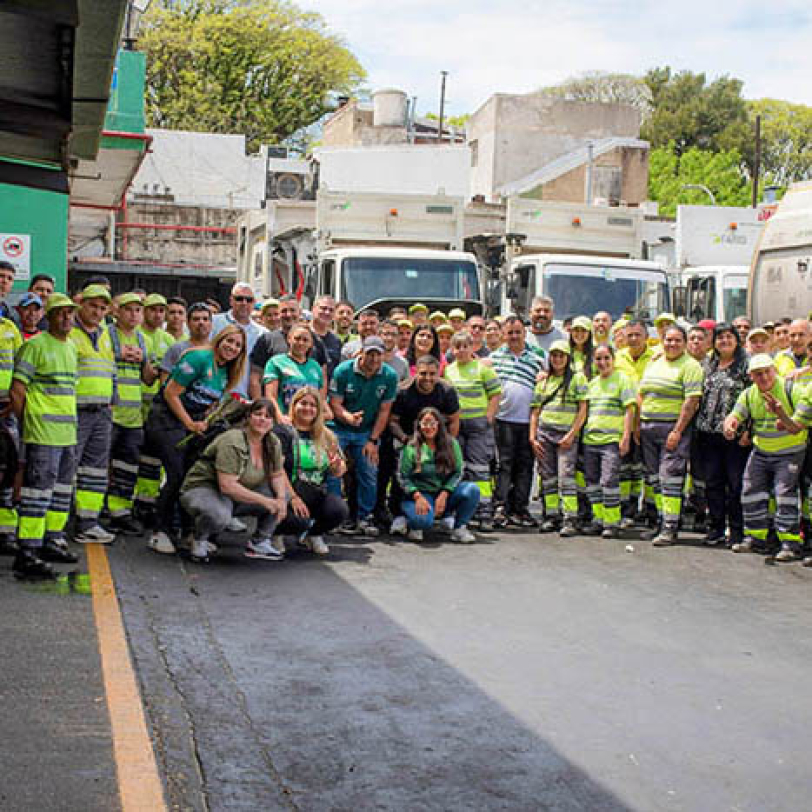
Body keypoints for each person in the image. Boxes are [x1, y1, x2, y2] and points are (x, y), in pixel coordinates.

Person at [143, 323, 247, 555]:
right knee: (176, 475)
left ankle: (189, 532)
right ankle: (160, 531)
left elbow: (208, 403)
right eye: (229, 341)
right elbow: (170, 392)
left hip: (192, 424)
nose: (232, 347)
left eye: (237, 345)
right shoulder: (200, 358)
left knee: (191, 475)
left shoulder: (225, 372)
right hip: (166, 420)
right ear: (219, 339)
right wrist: (189, 423)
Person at [10, 294, 81, 579]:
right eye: (60, 313)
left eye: (69, 313)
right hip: (43, 432)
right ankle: (27, 551)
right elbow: (18, 390)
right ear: (48, 317)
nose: (66, 318)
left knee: (62, 491)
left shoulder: (72, 347)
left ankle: (52, 540)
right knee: (37, 493)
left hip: (66, 432)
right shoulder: (35, 346)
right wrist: (29, 424)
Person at [180, 399, 291, 563]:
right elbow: (227, 486)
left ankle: (259, 542)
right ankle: (198, 539)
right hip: (205, 488)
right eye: (258, 414)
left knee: (283, 494)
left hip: (238, 493)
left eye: (268, 416)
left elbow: (277, 474)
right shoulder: (233, 440)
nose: (262, 419)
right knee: (219, 515)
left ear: (273, 422)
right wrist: (266, 502)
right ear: (248, 417)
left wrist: (280, 499)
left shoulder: (272, 442)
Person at [724, 354, 811, 561]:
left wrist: (781, 414)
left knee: (784, 495)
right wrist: (730, 424)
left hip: (789, 451)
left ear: (775, 370)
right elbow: (735, 414)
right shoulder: (749, 394)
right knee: (750, 491)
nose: (763, 377)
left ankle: (790, 544)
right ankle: (756, 538)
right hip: (761, 450)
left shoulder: (792, 390)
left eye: (767, 372)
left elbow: (796, 427)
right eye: (758, 374)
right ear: (751, 376)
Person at [637, 324, 704, 546]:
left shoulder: (691, 366)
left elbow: (691, 401)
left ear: (684, 344)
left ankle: (670, 528)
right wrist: (638, 424)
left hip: (672, 430)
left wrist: (677, 431)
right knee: (654, 479)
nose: (672, 344)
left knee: (671, 479)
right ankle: (659, 521)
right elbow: (643, 392)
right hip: (648, 428)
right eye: (668, 340)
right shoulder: (655, 362)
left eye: (677, 340)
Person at [328, 337, 398, 536]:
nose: (374, 358)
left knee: (369, 469)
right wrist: (348, 417)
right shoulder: (343, 371)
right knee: (334, 469)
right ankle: (335, 515)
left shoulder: (389, 376)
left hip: (366, 431)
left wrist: (373, 440)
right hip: (339, 427)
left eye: (378, 354)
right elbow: (335, 404)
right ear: (361, 352)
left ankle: (364, 516)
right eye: (370, 353)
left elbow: (385, 411)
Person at [273, 387, 349, 555]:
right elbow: (276, 468)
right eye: (303, 403)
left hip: (315, 491)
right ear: (294, 405)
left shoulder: (326, 434)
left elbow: (340, 470)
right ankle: (275, 533)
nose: (308, 408)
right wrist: (292, 497)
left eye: (313, 405)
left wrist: (337, 466)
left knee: (339, 510)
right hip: (287, 491)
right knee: (297, 519)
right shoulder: (282, 432)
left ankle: (313, 534)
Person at [694, 323, 751, 547]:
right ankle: (716, 527)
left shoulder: (744, 365)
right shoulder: (708, 364)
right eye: (720, 338)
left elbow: (752, 399)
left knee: (735, 484)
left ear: (737, 340)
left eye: (729, 337)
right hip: (707, 433)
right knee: (713, 483)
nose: (724, 341)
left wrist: (747, 430)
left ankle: (736, 530)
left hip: (734, 436)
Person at [68, 285, 118, 545]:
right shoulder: (69, 333)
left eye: (102, 308)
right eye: (93, 306)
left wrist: (112, 400)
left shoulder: (106, 334)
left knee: (95, 472)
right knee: (67, 469)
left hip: (101, 413)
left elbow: (111, 370)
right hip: (76, 412)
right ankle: (59, 526)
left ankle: (88, 523)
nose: (97, 312)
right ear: (81, 305)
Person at [389, 355, 461, 532]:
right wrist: (406, 441)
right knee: (400, 470)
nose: (427, 378)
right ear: (415, 373)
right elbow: (393, 421)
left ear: (438, 373)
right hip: (407, 438)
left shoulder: (447, 390)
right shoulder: (403, 390)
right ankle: (399, 512)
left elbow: (454, 419)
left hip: (438, 439)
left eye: (432, 374)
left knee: (445, 471)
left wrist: (448, 444)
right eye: (423, 374)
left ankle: (445, 512)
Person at [106, 293, 158, 534]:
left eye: (138, 310)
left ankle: (121, 510)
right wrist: (119, 356)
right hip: (111, 413)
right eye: (129, 310)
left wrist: (151, 365)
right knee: (101, 464)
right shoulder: (107, 333)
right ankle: (97, 511)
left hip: (133, 415)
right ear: (117, 311)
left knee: (128, 465)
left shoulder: (140, 338)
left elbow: (147, 379)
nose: (134, 314)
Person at [490, 316, 546, 528]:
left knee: (525, 466)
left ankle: (520, 509)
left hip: (528, 421)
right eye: (510, 332)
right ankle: (500, 507)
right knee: (504, 465)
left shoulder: (537, 357)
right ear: (504, 335)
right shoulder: (495, 358)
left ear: (525, 333)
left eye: (518, 332)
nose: (514, 336)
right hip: (503, 419)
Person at [394, 407, 480, 543]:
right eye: (425, 423)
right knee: (422, 522)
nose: (429, 427)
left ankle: (459, 528)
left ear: (439, 424)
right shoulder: (411, 447)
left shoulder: (451, 444)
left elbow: (458, 472)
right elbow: (402, 476)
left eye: (432, 423)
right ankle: (409, 520)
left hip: (445, 493)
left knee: (472, 490)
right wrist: (417, 496)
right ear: (419, 425)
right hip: (420, 495)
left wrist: (445, 492)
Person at [529, 339, 587, 536]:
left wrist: (572, 434)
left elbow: (583, 409)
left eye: (561, 355)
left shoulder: (577, 379)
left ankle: (571, 518)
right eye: (554, 355)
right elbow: (535, 411)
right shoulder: (544, 381)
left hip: (566, 436)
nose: (557, 359)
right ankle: (551, 516)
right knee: (548, 477)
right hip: (544, 433)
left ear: (567, 358)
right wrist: (533, 437)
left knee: (566, 477)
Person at [444, 332, 501, 531]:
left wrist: (489, 417)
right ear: (452, 349)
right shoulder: (449, 371)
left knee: (480, 469)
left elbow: (495, 394)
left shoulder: (482, 369)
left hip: (478, 426)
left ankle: (485, 512)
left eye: (464, 346)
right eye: (457, 347)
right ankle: (458, 511)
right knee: (457, 468)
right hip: (457, 425)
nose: (461, 351)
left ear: (472, 348)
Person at [582, 345, 636, 539]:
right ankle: (598, 519)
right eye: (598, 359)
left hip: (611, 440)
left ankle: (612, 522)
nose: (602, 362)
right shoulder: (593, 383)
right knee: (592, 482)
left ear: (613, 359)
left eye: (606, 358)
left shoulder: (623, 380)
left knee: (609, 481)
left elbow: (629, 410)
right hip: (591, 439)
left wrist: (625, 437)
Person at [615, 320, 655, 524]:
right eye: (629, 335)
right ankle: (626, 509)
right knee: (624, 468)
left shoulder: (656, 357)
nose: (633, 339)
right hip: (624, 421)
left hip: (648, 421)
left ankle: (648, 510)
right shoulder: (617, 358)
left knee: (645, 468)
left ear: (646, 336)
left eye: (637, 335)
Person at [249, 295, 325, 398]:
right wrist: (260, 406)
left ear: (300, 312)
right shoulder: (266, 340)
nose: (288, 315)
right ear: (278, 314)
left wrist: (320, 405)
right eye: (284, 311)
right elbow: (255, 377)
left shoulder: (316, 340)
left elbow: (323, 378)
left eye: (292, 310)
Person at [211, 282, 266, 398]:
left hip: (243, 399)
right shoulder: (214, 322)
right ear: (231, 300)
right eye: (239, 299)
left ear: (254, 303)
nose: (244, 303)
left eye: (249, 300)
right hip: (210, 393)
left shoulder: (263, 334)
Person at [263, 324, 325, 424]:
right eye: (297, 338)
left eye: (305, 340)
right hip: (286, 421)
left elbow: (320, 398)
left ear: (311, 344)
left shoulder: (315, 366)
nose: (301, 343)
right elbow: (270, 396)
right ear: (289, 339)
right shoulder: (275, 362)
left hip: (310, 424)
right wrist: (280, 417)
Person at [0, 302, 22, 552]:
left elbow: (18, 369)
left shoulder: (10, 329)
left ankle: (5, 531)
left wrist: (13, 404)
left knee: (7, 467)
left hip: (5, 409)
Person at [310, 295, 342, 377]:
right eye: (323, 308)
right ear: (313, 309)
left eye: (331, 310)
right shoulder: (301, 335)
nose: (327, 312)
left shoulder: (336, 341)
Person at [774, 319, 812, 385]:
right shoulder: (780, 357)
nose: (796, 339)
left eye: (801, 334)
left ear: (810, 336)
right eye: (792, 335)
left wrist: (806, 369)